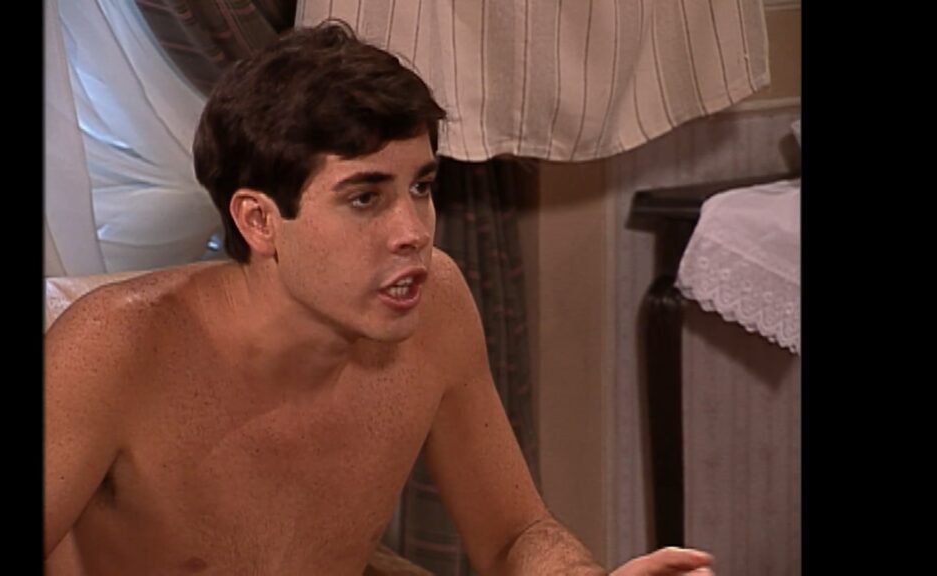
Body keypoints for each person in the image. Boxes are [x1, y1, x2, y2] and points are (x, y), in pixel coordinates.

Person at [44, 21, 714, 576]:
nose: (413, 232)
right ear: (259, 221)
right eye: (365, 198)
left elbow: (516, 533)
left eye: (420, 187)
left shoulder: (436, 304)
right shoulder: (115, 348)